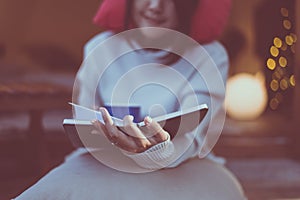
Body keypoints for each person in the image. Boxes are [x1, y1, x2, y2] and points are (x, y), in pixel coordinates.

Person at [16, 0, 246, 199]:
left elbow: (195, 136)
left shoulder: (209, 55)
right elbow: (83, 122)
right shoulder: (99, 48)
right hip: (104, 161)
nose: (156, 6)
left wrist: (159, 153)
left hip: (183, 164)